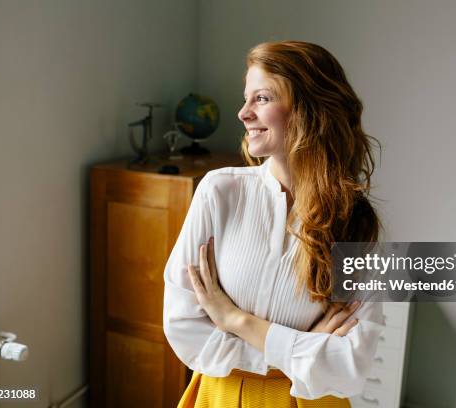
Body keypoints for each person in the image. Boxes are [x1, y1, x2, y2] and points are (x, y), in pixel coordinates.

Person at [163, 40, 385, 408]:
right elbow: (182, 326)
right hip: (222, 397)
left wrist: (235, 321)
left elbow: (351, 366)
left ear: (310, 112)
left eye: (262, 99)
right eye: (246, 98)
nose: (243, 113)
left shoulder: (358, 223)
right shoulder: (219, 192)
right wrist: (299, 351)